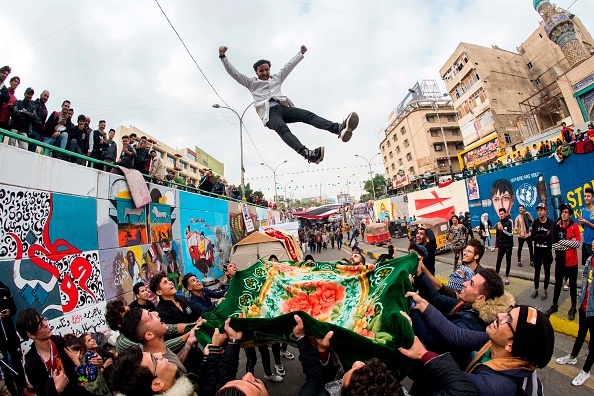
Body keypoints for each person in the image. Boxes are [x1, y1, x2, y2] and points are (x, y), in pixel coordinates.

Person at [219, 45, 358, 164]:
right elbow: (234, 73)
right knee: (282, 128)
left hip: (283, 108)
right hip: (270, 114)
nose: (264, 72)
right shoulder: (251, 83)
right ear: (256, 72)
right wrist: (223, 57)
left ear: (269, 69)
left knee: (307, 115)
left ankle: (338, 129)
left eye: (266, 69)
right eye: (261, 70)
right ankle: (307, 153)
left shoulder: (276, 78)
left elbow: (288, 67)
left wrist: (300, 54)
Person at [404, 297, 554, 396]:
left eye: (508, 319)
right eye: (508, 311)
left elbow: (451, 380)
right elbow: (458, 335)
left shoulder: (495, 387)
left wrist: (419, 349)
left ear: (511, 345)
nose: (500, 315)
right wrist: (423, 305)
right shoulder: (498, 342)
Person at [16, 308, 97, 396]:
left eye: (43, 319)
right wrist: (56, 390)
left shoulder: (59, 343)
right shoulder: (31, 363)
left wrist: (94, 364)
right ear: (30, 334)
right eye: (39, 325)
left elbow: (77, 375)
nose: (46, 324)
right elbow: (41, 392)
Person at [555, 252, 594, 386]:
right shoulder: (590, 260)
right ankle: (572, 357)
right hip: (585, 305)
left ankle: (586, 371)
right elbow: (585, 283)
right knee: (581, 333)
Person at [545, 204, 581, 320]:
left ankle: (573, 308)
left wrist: (563, 242)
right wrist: (570, 243)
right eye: (562, 212)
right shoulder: (556, 227)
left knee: (573, 285)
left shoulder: (574, 226)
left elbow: (578, 244)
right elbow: (554, 245)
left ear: (570, 215)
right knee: (557, 284)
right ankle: (554, 305)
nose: (563, 214)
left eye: (566, 212)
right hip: (560, 262)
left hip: (572, 262)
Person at [0, 280, 27, 396]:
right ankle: (12, 392)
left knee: (18, 364)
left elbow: (14, 308)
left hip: (11, 335)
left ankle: (24, 389)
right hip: (0, 339)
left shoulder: (4, 289)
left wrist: (9, 312)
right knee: (5, 369)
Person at [531, 202, 554, 300]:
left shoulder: (550, 222)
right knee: (537, 271)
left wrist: (539, 236)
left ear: (545, 211)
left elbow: (551, 237)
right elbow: (532, 237)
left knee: (547, 272)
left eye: (541, 210)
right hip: (537, 252)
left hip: (547, 252)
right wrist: (544, 236)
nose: (540, 212)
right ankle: (536, 289)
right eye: (538, 210)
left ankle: (545, 290)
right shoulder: (535, 223)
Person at [494, 207, 514, 285]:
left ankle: (506, 278)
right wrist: (496, 246)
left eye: (502, 214)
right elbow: (497, 236)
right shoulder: (499, 223)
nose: (501, 215)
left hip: (508, 246)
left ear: (506, 214)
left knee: (508, 261)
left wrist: (503, 230)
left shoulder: (510, 222)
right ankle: (496, 277)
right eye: (500, 214)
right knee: (498, 261)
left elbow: (511, 234)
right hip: (501, 246)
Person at [577, 187, 594, 266]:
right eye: (585, 196)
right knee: (586, 267)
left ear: (592, 198)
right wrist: (581, 222)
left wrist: (586, 222)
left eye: (588, 196)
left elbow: (588, 224)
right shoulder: (583, 210)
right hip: (585, 243)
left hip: (593, 244)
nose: (586, 198)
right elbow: (584, 228)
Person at [31, 90, 50, 154]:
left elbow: (43, 123)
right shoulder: (32, 103)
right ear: (41, 95)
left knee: (31, 153)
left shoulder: (45, 111)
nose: (46, 98)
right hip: (28, 128)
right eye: (45, 96)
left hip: (37, 132)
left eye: (47, 97)